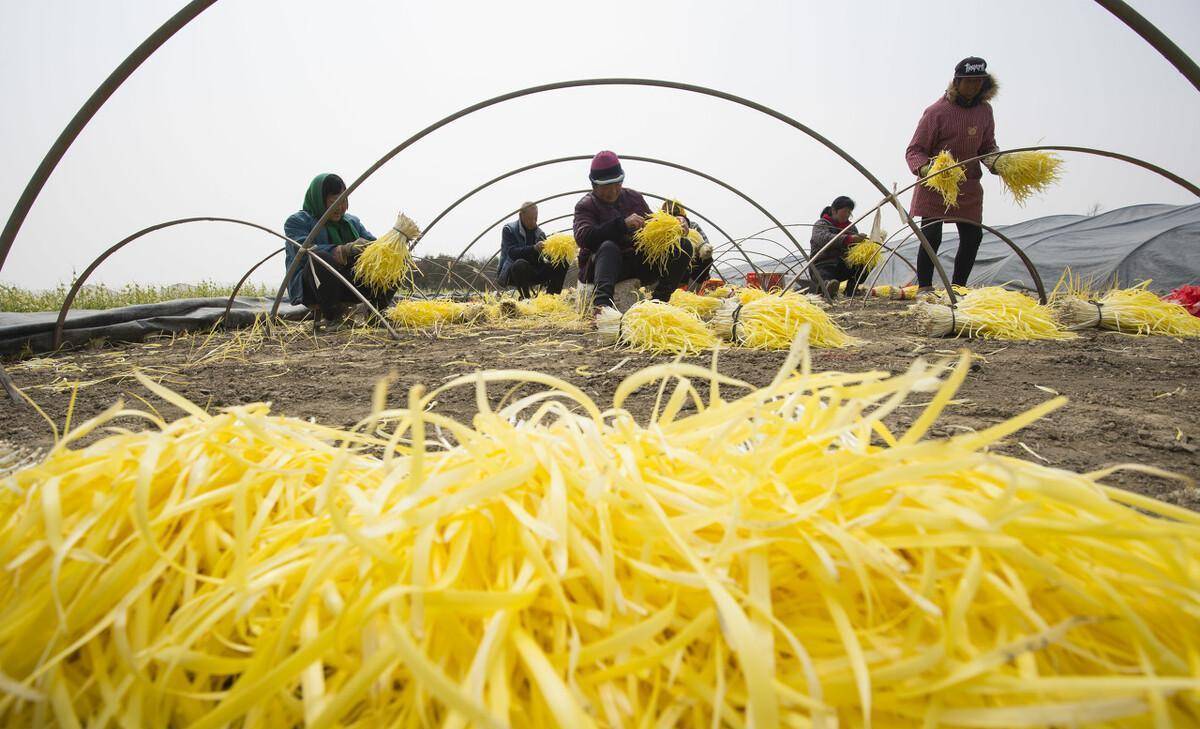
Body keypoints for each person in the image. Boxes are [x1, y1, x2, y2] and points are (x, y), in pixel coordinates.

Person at [905, 56, 1000, 293]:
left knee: (972, 237)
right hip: (937, 185)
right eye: (968, 81)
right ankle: (925, 288)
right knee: (931, 237)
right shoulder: (937, 112)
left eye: (978, 81)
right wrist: (929, 170)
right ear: (956, 82)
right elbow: (914, 150)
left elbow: (987, 146)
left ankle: (958, 289)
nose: (973, 86)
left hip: (967, 185)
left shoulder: (984, 112)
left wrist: (998, 162)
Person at [573, 151, 693, 310]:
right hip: (605, 268)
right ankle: (602, 308)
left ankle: (658, 303)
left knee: (682, 246)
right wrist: (622, 225)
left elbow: (653, 226)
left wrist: (676, 224)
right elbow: (584, 237)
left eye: (617, 184)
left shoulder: (634, 197)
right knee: (608, 246)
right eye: (607, 186)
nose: (613, 191)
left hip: (636, 262)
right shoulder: (586, 205)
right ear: (594, 185)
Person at [283, 173, 396, 325]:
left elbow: (372, 244)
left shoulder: (352, 222)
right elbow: (303, 251)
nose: (340, 207)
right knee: (319, 258)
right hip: (315, 287)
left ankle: (375, 312)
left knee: (392, 261)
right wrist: (343, 250)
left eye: (343, 200)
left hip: (349, 284)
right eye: (333, 201)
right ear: (319, 200)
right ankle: (334, 316)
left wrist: (392, 245)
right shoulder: (298, 222)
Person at [497, 202, 567, 298]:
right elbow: (512, 253)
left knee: (562, 260)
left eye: (535, 218)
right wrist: (534, 248)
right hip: (514, 273)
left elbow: (545, 257)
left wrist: (555, 251)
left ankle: (550, 297)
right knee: (520, 264)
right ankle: (526, 298)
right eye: (530, 219)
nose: (533, 222)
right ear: (521, 215)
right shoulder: (509, 229)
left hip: (534, 271)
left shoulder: (540, 234)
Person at [809, 196, 867, 297]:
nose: (847, 215)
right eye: (845, 211)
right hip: (822, 265)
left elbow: (855, 248)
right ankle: (827, 287)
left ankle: (851, 289)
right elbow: (824, 239)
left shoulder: (851, 228)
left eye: (849, 212)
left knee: (866, 262)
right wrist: (849, 239)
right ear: (834, 210)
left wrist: (864, 245)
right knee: (826, 275)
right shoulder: (822, 224)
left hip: (842, 266)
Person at [661, 200, 714, 289]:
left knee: (707, 259)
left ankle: (692, 291)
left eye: (675, 212)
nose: (672, 215)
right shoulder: (661, 229)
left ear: (682, 213)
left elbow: (705, 246)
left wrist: (703, 250)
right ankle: (668, 289)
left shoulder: (692, 226)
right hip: (671, 266)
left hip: (693, 267)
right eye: (668, 213)